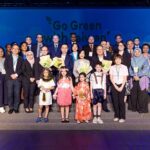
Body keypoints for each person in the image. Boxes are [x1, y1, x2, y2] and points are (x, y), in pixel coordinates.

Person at [129, 48, 149, 113]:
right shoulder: (132, 59)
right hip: (134, 78)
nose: (137, 53)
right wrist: (133, 75)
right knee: (134, 93)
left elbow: (146, 69)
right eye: (135, 52)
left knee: (142, 94)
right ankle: (134, 107)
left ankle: (142, 109)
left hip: (142, 78)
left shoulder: (145, 59)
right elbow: (130, 69)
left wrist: (138, 75)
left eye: (138, 52)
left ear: (140, 52)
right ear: (134, 53)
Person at [4, 43, 23, 114]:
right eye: (14, 48)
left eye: (17, 49)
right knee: (10, 94)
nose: (15, 50)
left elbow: (22, 68)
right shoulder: (7, 57)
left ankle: (16, 108)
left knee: (17, 94)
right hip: (9, 78)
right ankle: (11, 107)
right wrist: (11, 74)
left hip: (18, 79)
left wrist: (16, 74)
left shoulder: (21, 59)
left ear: (19, 50)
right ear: (11, 50)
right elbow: (6, 67)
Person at [109, 54, 128, 123]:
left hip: (122, 85)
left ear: (121, 60)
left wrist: (121, 87)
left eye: (119, 59)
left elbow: (125, 78)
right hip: (114, 85)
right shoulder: (112, 67)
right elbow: (111, 78)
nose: (118, 60)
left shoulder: (124, 67)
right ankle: (116, 115)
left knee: (121, 102)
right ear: (114, 60)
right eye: (116, 59)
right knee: (115, 102)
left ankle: (122, 117)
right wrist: (115, 86)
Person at [0, 47, 6, 113]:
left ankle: (3, 104)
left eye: (2, 51)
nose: (1, 52)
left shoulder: (6, 59)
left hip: (5, 76)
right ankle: (1, 106)